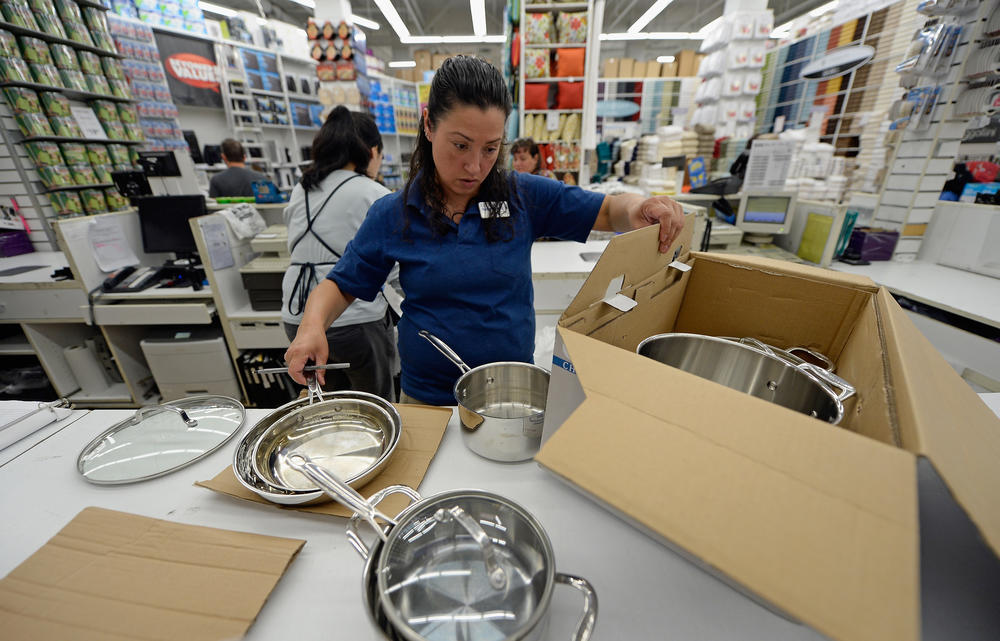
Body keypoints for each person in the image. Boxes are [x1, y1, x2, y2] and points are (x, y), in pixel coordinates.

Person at [285, 55, 684, 406]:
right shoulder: (393, 213)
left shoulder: (523, 195)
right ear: (428, 124)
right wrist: (311, 327)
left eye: (490, 148)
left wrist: (640, 205)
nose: (475, 167)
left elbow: (611, 209)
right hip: (428, 400)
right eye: (460, 145)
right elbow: (339, 285)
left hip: (511, 395)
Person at [281, 106, 397, 401]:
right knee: (374, 404)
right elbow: (394, 267)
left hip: (298, 316)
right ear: (372, 152)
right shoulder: (374, 193)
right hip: (354, 320)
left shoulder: (301, 189)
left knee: (323, 402)